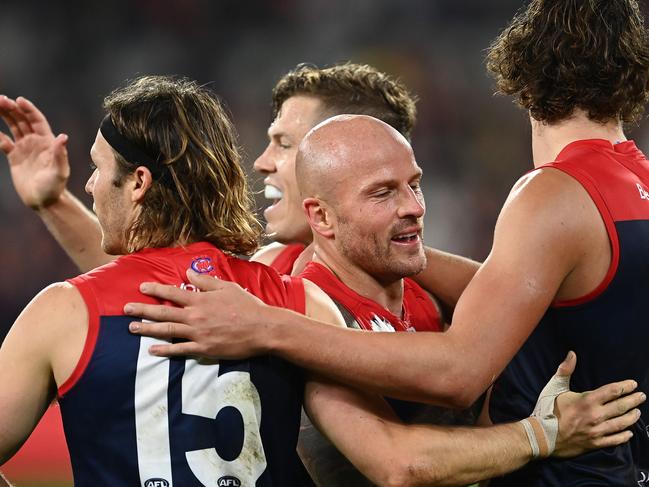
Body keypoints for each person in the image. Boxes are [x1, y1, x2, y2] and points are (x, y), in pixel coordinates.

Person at [0, 84, 644, 486]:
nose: (269, 161)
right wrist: (541, 436)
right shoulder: (290, 293)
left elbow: (124, 298)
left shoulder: (387, 296)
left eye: (287, 141)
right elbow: (148, 283)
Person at [123, 0, 649, 483]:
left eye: (413, 186)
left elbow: (459, 369)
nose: (413, 206)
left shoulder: (553, 194)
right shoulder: (633, 188)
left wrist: (269, 325)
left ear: (521, 76)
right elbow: (151, 302)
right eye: (382, 192)